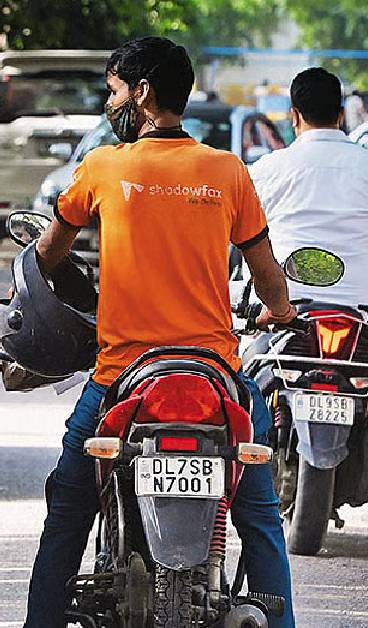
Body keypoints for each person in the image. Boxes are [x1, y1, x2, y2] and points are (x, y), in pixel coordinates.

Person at [22, 37, 296, 626]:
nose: (109, 104)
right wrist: (281, 311)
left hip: (122, 378)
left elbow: (46, 254)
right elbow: (266, 271)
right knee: (259, 517)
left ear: (141, 93)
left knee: (69, 510)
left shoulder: (102, 167)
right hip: (215, 378)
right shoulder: (227, 170)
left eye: (114, 91)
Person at [250, 67, 368, 308]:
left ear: (294, 116)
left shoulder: (266, 169)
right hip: (361, 309)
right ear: (341, 116)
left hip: (285, 310)